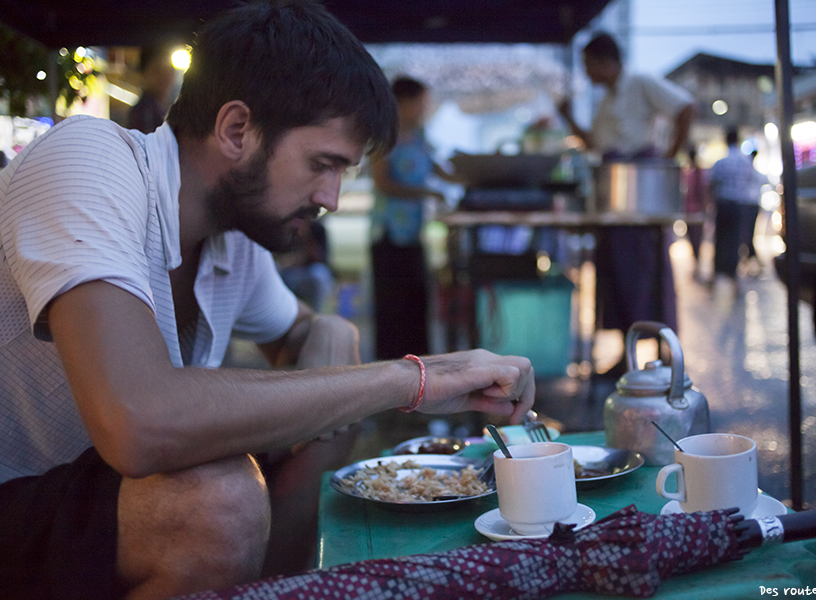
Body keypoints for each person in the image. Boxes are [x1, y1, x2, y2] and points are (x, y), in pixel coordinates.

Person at [0, 4, 535, 600]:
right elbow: (138, 422)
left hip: (79, 509)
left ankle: (275, 589)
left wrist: (333, 335)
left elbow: (305, 338)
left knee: (330, 347)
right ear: (237, 130)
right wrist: (409, 380)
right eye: (322, 164)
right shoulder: (88, 159)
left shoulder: (232, 241)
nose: (330, 197)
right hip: (16, 499)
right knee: (214, 500)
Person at [557, 32, 694, 373]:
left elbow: (685, 108)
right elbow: (595, 144)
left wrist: (667, 157)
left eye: (589, 66)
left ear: (606, 62)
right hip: (613, 201)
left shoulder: (642, 82)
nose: (587, 74)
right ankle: (627, 355)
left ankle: (665, 353)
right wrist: (569, 119)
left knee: (648, 275)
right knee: (616, 275)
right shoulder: (606, 101)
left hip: (642, 196)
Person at [370, 76, 459, 360]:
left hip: (413, 233)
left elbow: (440, 169)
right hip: (388, 233)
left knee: (417, 299)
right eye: (420, 102)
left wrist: (479, 171)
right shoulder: (384, 137)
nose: (424, 108)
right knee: (392, 303)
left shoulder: (420, 137)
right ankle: (389, 367)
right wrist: (424, 193)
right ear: (403, 102)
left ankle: (417, 367)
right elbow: (382, 183)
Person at [708, 127, 762, 293]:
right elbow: (750, 182)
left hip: (723, 204)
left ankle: (716, 275)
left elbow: (711, 184)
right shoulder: (745, 161)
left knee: (719, 239)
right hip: (739, 206)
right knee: (735, 240)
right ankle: (733, 277)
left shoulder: (721, 162)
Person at [276, 219, 335, 313]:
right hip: (288, 276)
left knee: (319, 273)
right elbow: (280, 259)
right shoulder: (283, 227)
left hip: (308, 275)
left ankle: (317, 315)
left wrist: (305, 236)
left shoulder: (316, 229)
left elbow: (321, 259)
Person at [127, 43, 178, 134]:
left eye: (169, 69)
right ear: (143, 73)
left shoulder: (165, 107)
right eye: (157, 70)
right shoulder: (144, 111)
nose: (165, 76)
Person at [682, 147, 711, 280]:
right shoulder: (691, 172)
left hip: (694, 211)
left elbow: (702, 192)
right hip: (691, 211)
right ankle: (696, 264)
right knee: (693, 239)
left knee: (696, 239)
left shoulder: (694, 173)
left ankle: (697, 265)